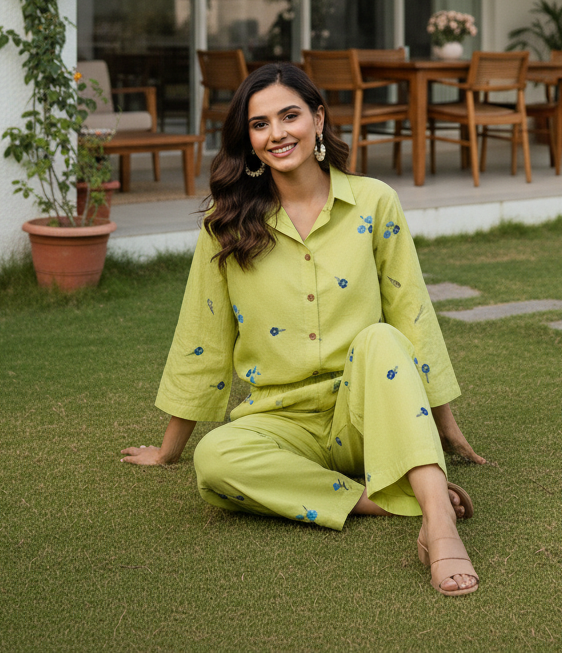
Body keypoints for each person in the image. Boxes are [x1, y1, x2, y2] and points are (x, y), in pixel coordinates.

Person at [120, 62, 485, 595]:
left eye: (289, 116)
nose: (277, 134)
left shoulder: (374, 201)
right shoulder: (223, 225)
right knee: (215, 460)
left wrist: (444, 423)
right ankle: (374, 500)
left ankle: (439, 520)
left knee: (381, 337)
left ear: (318, 118)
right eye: (260, 124)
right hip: (279, 421)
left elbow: (413, 314)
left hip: (367, 413)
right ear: (248, 139)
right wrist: (168, 448)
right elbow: (203, 337)